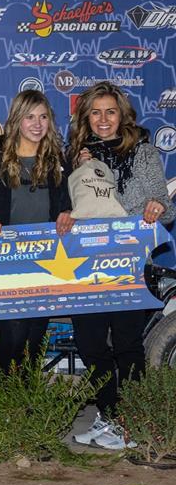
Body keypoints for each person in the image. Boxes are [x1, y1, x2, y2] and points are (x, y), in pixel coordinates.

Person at [66, 81, 174, 451]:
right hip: (87, 262)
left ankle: (130, 423)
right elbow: (65, 208)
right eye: (95, 112)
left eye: (110, 111)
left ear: (122, 115)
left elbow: (165, 206)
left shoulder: (142, 152)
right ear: (86, 117)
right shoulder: (75, 155)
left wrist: (157, 207)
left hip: (130, 261)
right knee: (90, 343)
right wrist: (79, 173)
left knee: (127, 344)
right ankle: (110, 414)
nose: (103, 119)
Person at [0, 90, 75, 372]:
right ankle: (2, 397)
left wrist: (71, 213)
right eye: (29, 117)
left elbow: (74, 205)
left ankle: (27, 399)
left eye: (43, 117)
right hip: (5, 262)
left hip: (47, 262)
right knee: (13, 339)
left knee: (35, 341)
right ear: (16, 120)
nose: (37, 124)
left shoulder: (58, 161)